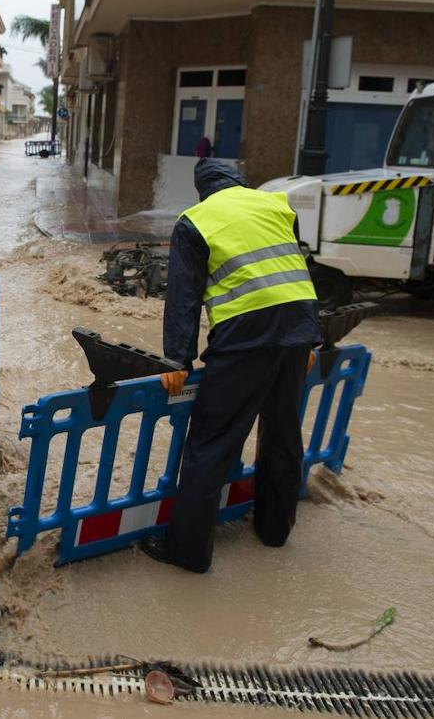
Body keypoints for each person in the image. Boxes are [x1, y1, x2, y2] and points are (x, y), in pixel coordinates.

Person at [141, 158, 322, 573]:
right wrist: (312, 337)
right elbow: (294, 269)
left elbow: (183, 298)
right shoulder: (276, 205)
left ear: (203, 190)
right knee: (282, 433)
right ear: (241, 181)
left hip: (245, 337)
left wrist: (176, 360)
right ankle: (275, 531)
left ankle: (188, 553)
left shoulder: (195, 221)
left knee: (211, 444)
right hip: (297, 330)